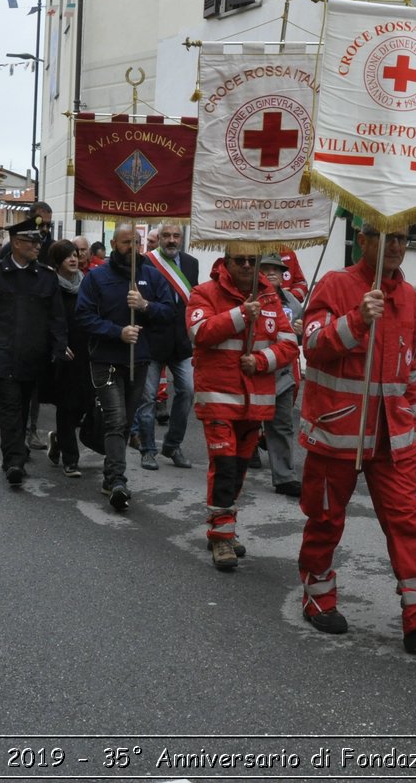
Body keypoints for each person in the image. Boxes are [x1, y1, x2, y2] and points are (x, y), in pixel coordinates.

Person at [296, 222, 416, 653]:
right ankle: (318, 599)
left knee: (406, 521)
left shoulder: (409, 296)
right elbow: (313, 344)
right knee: (325, 520)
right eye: (386, 237)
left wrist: (415, 425)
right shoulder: (335, 285)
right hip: (338, 431)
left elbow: (408, 372)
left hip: (393, 437)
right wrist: (357, 320)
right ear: (363, 240)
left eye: (403, 238)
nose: (396, 246)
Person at [186, 243, 298, 570]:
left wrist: (262, 361)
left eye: (253, 260)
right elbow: (199, 332)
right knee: (224, 467)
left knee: (237, 470)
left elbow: (289, 344)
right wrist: (238, 315)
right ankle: (222, 539)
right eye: (241, 260)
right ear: (226, 261)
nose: (248, 266)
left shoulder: (270, 297)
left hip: (256, 402)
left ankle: (224, 527)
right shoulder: (204, 292)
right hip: (219, 398)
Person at [75, 223, 172, 511]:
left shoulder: (152, 277)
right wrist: (116, 331)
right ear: (114, 243)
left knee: (124, 422)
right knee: (116, 419)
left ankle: (93, 438)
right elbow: (83, 316)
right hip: (105, 360)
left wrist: (145, 306)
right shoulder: (97, 278)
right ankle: (116, 479)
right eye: (126, 242)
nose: (132, 247)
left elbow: (169, 312)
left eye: (137, 241)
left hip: (139, 361)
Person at [0, 218, 67, 487]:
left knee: (22, 406)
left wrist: (58, 347)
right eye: (34, 242)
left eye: (39, 242)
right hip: (2, 353)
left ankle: (15, 451)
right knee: (10, 406)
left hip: (34, 355)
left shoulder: (45, 276)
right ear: (18, 243)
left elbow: (57, 317)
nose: (38, 246)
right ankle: (14, 461)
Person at [137, 221, 199, 470]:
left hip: (182, 342)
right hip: (152, 340)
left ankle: (172, 445)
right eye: (166, 235)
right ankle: (148, 449)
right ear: (159, 238)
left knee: (188, 391)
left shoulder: (192, 263)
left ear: (182, 238)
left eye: (176, 235)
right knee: (148, 398)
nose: (172, 240)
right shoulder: (145, 262)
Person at [40, 239, 93, 477]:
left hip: (87, 350)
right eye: (67, 256)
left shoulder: (87, 284)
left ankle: (59, 440)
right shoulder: (50, 285)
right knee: (67, 405)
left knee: (85, 404)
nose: (73, 259)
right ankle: (71, 459)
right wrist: (57, 344)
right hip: (64, 353)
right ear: (57, 261)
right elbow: (45, 320)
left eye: (75, 254)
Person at [259, 252, 304, 496]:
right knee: (246, 424)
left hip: (282, 373)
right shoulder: (250, 299)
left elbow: (301, 337)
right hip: (255, 371)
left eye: (276, 269)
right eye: (266, 268)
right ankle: (242, 462)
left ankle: (285, 477)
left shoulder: (293, 304)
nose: (272, 272)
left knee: (282, 425)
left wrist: (300, 331)